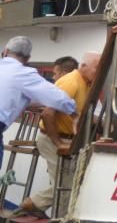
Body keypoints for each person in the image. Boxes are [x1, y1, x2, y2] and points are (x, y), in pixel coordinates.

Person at [21, 50, 99, 216]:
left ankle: (35, 203)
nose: (98, 71)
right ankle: (59, 219)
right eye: (96, 67)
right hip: (53, 139)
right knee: (66, 183)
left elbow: (78, 112)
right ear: (83, 66)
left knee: (71, 180)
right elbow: (48, 113)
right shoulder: (71, 81)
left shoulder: (85, 83)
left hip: (68, 139)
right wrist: (58, 143)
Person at [0, 36, 76, 169]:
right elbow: (57, 97)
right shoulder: (22, 74)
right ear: (28, 58)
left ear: (5, 52)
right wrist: (74, 113)